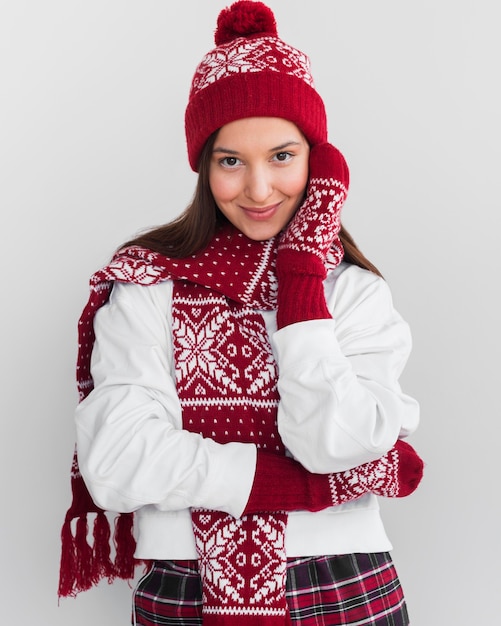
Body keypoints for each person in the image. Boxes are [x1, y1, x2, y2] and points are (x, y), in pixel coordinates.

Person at [58, 2, 424, 625]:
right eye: (231, 161)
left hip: (346, 583)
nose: (258, 190)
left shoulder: (353, 292)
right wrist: (305, 490)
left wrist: (302, 282)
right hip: (185, 586)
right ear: (204, 167)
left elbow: (331, 443)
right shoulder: (147, 285)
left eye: (283, 156)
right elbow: (118, 463)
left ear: (319, 160)